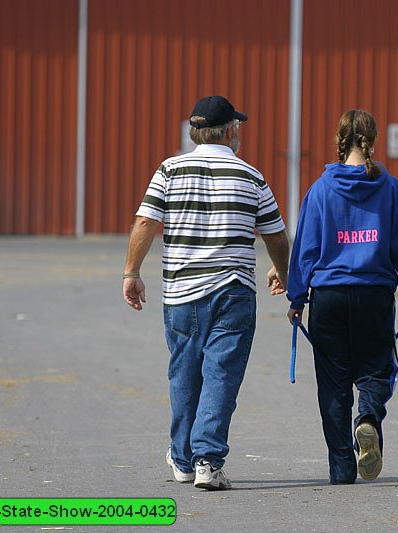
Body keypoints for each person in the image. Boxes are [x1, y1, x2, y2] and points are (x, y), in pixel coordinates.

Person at [122, 95, 290, 490]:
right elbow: (276, 236)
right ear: (230, 130)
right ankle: (207, 461)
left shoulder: (169, 170)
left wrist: (131, 271)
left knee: (183, 372)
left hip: (181, 292)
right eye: (238, 128)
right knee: (221, 375)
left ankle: (181, 459)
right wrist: (286, 275)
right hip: (233, 291)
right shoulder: (251, 176)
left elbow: (146, 222)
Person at [286, 109, 398, 485]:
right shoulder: (391, 189)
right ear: (373, 140)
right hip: (373, 296)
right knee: (376, 370)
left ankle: (341, 469)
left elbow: (305, 247)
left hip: (329, 298)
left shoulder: (320, 190)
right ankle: (367, 417)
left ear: (340, 140)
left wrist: (297, 298)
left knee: (333, 385)